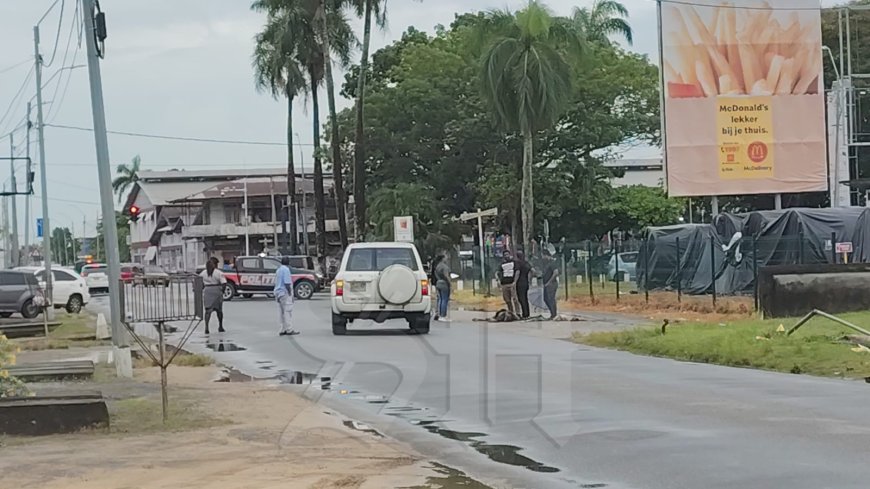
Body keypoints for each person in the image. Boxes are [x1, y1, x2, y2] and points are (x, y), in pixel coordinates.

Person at [200, 257, 227, 334]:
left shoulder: (203, 273)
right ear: (215, 264)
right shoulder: (219, 273)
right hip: (216, 290)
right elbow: (224, 283)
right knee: (219, 311)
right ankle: (220, 326)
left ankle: (206, 327)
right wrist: (222, 291)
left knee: (208, 311)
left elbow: (199, 282)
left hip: (207, 291)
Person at [275, 256, 299, 336]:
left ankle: (282, 329)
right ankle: (289, 329)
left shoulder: (278, 270)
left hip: (278, 292)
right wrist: (289, 293)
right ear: (288, 262)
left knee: (281, 312)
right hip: (285, 292)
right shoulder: (286, 270)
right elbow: (287, 283)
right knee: (287, 311)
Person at [497, 250, 520, 316]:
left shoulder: (514, 262)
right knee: (507, 300)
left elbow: (517, 272)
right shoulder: (502, 264)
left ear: (510, 254)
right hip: (504, 283)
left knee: (515, 299)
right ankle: (511, 312)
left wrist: (515, 281)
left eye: (507, 254)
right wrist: (498, 280)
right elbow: (498, 272)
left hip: (511, 283)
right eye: (505, 255)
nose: (506, 256)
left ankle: (518, 313)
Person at [541, 251, 560, 319]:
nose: (542, 258)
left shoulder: (552, 263)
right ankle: (552, 313)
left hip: (551, 283)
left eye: (543, 256)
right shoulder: (546, 264)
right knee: (546, 299)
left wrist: (549, 282)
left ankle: (554, 314)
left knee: (551, 298)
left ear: (547, 255)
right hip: (546, 284)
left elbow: (555, 272)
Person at [434, 254, 451, 322]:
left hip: (438, 282)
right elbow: (446, 276)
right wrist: (449, 283)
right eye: (446, 258)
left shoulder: (437, 266)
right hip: (444, 284)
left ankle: (439, 314)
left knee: (440, 299)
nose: (447, 259)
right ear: (443, 259)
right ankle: (443, 315)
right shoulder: (444, 267)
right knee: (444, 299)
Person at [514, 251, 532, 319]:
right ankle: (527, 313)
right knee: (525, 298)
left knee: (521, 299)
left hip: (520, 283)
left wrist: (515, 282)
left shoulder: (518, 263)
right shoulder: (526, 263)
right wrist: (530, 279)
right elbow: (532, 271)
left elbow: (517, 272)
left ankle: (524, 314)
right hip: (525, 282)